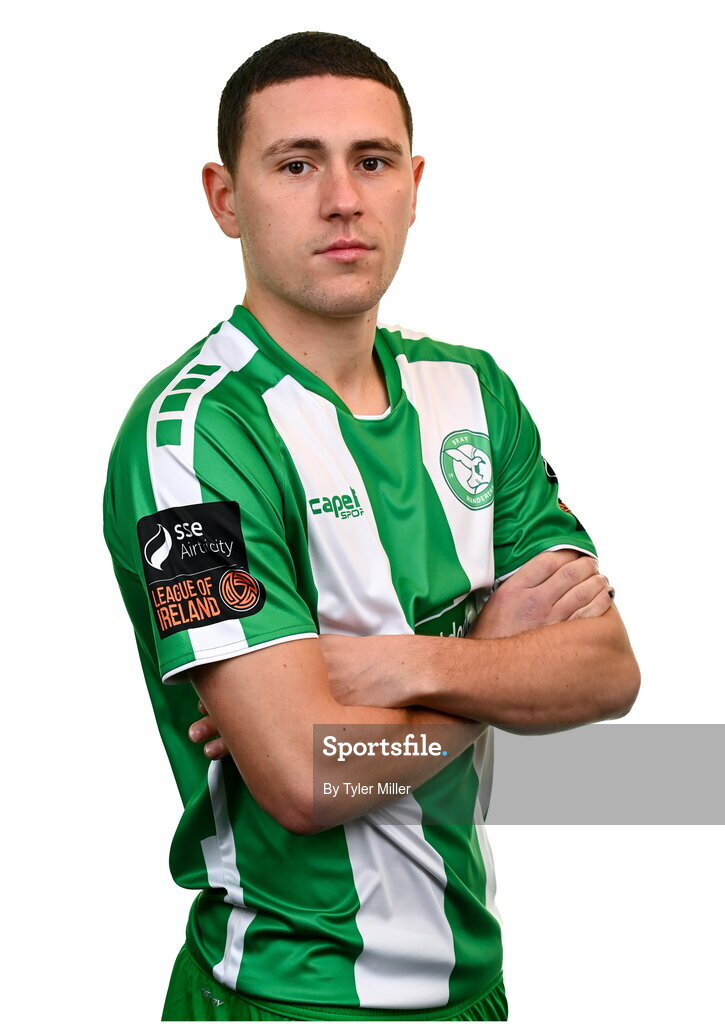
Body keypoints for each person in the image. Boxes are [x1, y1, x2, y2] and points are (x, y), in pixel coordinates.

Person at [103, 30, 640, 1022]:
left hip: (471, 988)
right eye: (295, 163)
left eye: (372, 161)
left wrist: (390, 667)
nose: (341, 198)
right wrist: (489, 667)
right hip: (283, 997)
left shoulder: (472, 393)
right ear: (227, 198)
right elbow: (308, 774)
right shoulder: (190, 438)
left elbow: (606, 671)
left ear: (413, 183)